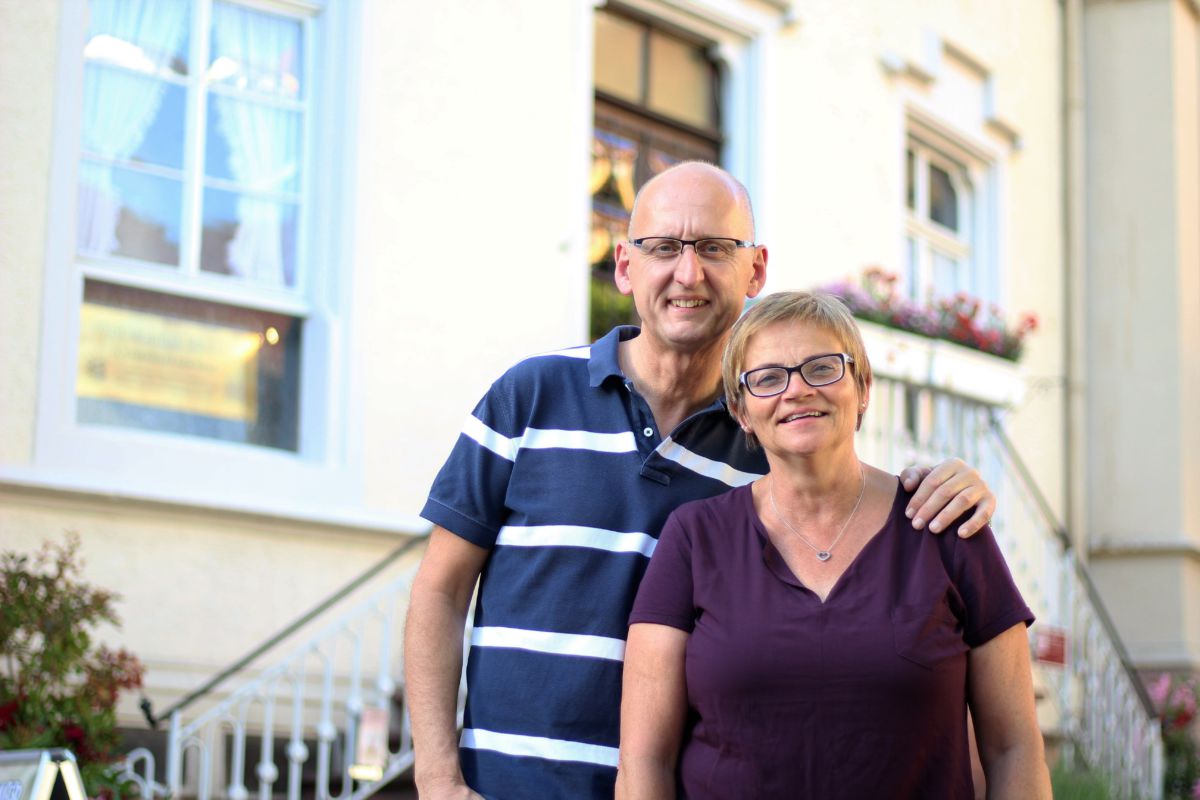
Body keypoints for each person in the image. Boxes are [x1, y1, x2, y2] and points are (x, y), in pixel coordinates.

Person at [404, 162, 999, 800]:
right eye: (663, 248)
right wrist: (438, 780)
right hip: (502, 788)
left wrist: (943, 483)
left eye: (715, 248)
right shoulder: (529, 396)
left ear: (757, 270)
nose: (688, 273)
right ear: (625, 266)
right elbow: (440, 592)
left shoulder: (768, 446)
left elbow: (854, 511)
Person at [616, 291, 1050, 799]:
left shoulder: (946, 528)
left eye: (822, 368)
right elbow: (645, 760)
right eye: (768, 377)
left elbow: (1014, 748)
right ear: (740, 410)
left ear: (863, 389)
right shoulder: (694, 539)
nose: (797, 390)